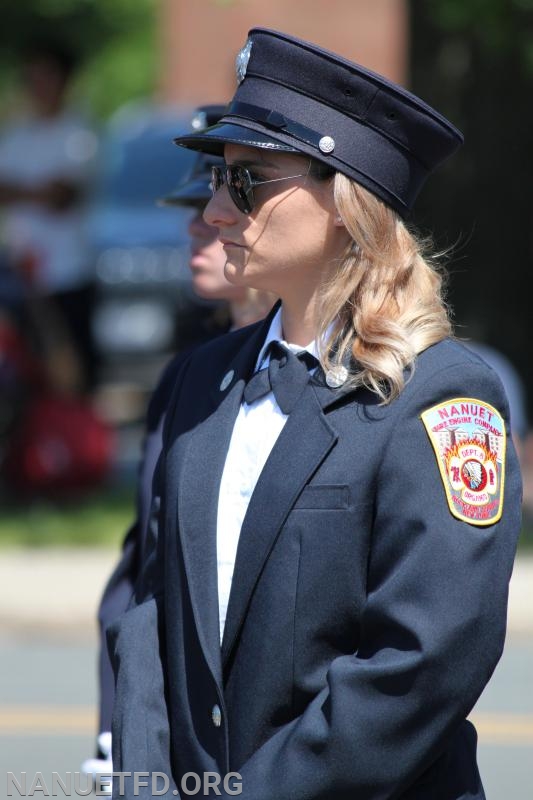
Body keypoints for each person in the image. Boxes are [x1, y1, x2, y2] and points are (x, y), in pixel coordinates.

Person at [110, 29, 522, 800]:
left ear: (344, 200)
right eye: (215, 178)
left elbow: (423, 662)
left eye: (247, 182)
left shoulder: (439, 394)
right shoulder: (202, 379)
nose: (214, 211)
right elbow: (151, 620)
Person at [82, 105, 274, 794]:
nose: (199, 223)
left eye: (216, 200)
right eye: (196, 202)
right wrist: (119, 732)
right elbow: (141, 580)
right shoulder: (189, 377)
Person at [0, 40, 98, 390]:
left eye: (46, 76)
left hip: (68, 272)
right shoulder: (16, 135)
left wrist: (19, 190)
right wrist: (37, 191)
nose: (37, 86)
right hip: (21, 274)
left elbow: (63, 196)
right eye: (31, 78)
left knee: (73, 376)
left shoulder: (78, 132)